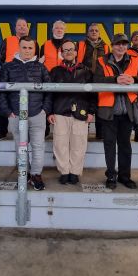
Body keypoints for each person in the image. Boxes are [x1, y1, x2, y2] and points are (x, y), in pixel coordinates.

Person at [0, 36, 52, 191]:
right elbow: (0, 92)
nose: (27, 51)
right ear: (19, 48)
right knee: (20, 146)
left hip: (37, 114)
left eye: (30, 48)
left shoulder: (41, 68)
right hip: (16, 114)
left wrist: (45, 110)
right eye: (24, 47)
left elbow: (49, 90)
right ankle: (24, 173)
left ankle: (36, 175)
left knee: (38, 146)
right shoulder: (7, 67)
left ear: (34, 50)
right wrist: (7, 112)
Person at [94, 33, 138, 190]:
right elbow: (96, 81)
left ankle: (125, 176)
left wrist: (134, 80)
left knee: (125, 146)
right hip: (108, 111)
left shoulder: (135, 60)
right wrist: (115, 80)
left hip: (127, 111)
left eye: (124, 44)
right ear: (112, 45)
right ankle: (111, 175)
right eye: (118, 44)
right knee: (109, 145)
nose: (121, 46)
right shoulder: (101, 61)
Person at [48, 40, 95, 185]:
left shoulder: (86, 71)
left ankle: (74, 172)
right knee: (60, 144)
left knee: (78, 144)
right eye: (65, 50)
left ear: (76, 52)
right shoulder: (55, 71)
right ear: (61, 53)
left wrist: (91, 111)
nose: (68, 52)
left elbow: (93, 94)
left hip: (80, 113)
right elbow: (49, 93)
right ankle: (64, 171)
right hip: (60, 112)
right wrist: (49, 112)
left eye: (71, 50)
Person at [0, 18, 31, 141]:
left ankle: (27, 132)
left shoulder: (33, 42)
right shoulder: (7, 40)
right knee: (4, 102)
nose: (22, 27)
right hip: (9, 76)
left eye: (24, 25)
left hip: (27, 77)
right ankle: (2, 131)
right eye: (19, 25)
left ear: (28, 28)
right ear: (15, 28)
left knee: (29, 104)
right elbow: (1, 58)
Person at [77, 23, 110, 139]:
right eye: (91, 30)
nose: (94, 32)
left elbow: (108, 64)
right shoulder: (81, 44)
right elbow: (77, 61)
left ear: (99, 33)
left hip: (100, 79)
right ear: (88, 33)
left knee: (100, 105)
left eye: (96, 30)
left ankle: (100, 134)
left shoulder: (106, 46)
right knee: (85, 104)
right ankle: (84, 131)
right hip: (84, 77)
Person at [40, 19, 66, 136]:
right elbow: (40, 63)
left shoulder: (69, 44)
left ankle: (60, 132)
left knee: (61, 104)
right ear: (52, 30)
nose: (59, 30)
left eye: (61, 28)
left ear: (64, 30)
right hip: (48, 79)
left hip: (64, 79)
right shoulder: (45, 44)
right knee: (47, 104)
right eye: (57, 28)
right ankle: (45, 130)